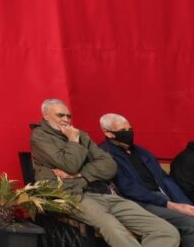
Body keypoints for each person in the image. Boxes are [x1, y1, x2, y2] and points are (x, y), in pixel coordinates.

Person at [31, 99, 178, 247]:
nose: (66, 119)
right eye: (60, 115)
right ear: (46, 116)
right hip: (72, 195)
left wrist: (81, 175)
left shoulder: (81, 135)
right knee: (114, 230)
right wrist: (73, 140)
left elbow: (110, 166)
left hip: (103, 192)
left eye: (68, 116)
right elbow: (70, 165)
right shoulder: (40, 137)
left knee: (166, 231)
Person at [98, 113, 194, 247]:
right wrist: (170, 205)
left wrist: (185, 203)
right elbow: (128, 189)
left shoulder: (141, 152)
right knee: (190, 223)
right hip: (138, 203)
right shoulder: (105, 155)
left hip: (162, 198)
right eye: (122, 130)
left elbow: (165, 179)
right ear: (108, 133)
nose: (128, 133)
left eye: (130, 129)